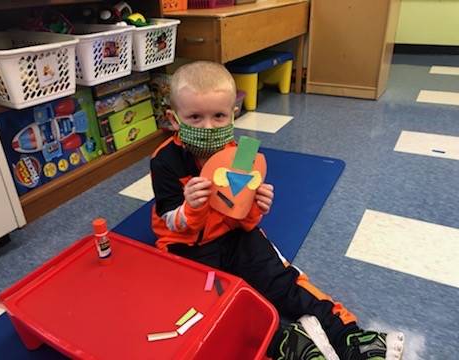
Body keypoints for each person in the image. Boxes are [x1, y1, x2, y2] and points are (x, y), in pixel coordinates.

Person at [150, 61, 404, 360]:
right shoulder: (165, 160)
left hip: (233, 235)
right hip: (186, 246)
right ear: (174, 118)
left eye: (218, 116)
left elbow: (241, 215)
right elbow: (170, 220)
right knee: (211, 306)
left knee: (277, 279)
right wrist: (191, 208)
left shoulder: (240, 153)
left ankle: (349, 336)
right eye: (195, 117)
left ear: (233, 113)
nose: (208, 127)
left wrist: (255, 209)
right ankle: (286, 342)